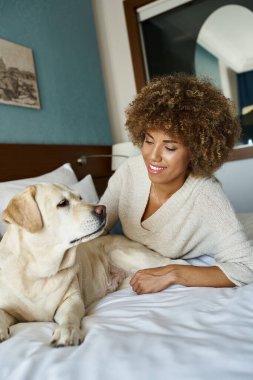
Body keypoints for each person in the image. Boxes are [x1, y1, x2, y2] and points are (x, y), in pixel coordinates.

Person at [100, 73, 253, 295]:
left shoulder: (205, 194)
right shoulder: (130, 171)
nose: (153, 156)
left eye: (170, 147)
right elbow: (99, 227)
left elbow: (246, 267)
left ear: (196, 151)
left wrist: (174, 272)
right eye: (148, 141)